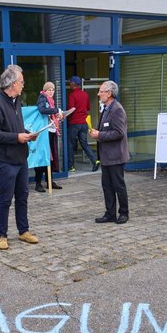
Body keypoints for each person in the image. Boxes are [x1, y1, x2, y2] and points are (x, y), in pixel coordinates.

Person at [0, 65, 40, 250]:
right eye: (21, 82)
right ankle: (1, 235)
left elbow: (15, 127)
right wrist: (17, 137)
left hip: (20, 158)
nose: (23, 85)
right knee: (5, 199)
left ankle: (23, 231)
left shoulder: (16, 101)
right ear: (12, 83)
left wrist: (27, 134)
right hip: (4, 161)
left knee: (23, 196)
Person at [89, 80, 129, 224]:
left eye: (101, 91)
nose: (99, 94)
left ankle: (124, 213)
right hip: (106, 156)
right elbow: (106, 129)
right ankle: (110, 213)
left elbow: (119, 133)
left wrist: (99, 135)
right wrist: (97, 132)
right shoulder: (105, 108)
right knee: (107, 186)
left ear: (109, 93)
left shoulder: (117, 109)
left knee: (118, 185)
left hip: (116, 156)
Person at [34, 81, 64, 192]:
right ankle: (38, 183)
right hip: (44, 132)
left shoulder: (51, 100)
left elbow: (50, 114)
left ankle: (49, 181)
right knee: (43, 156)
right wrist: (56, 110)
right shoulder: (42, 98)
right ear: (45, 90)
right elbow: (42, 110)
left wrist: (58, 115)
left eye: (53, 90)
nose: (51, 92)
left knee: (51, 158)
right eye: (49, 90)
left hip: (51, 131)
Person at [66, 76, 98, 172]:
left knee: (70, 144)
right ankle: (94, 161)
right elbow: (88, 107)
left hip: (74, 123)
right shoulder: (85, 94)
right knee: (84, 144)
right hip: (84, 123)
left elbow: (71, 109)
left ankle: (71, 166)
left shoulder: (72, 95)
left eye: (70, 82)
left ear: (73, 84)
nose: (69, 84)